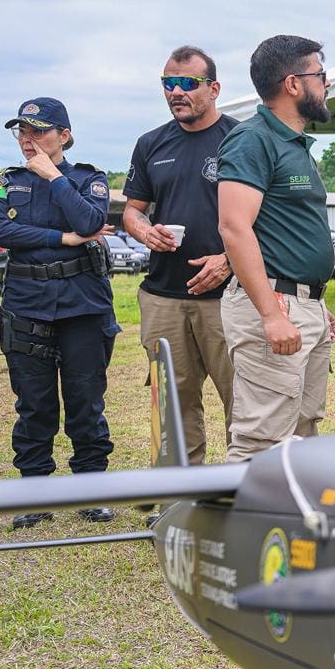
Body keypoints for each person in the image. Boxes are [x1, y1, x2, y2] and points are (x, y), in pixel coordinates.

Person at [0, 98, 118, 528]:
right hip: (27, 302)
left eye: (38, 131)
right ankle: (35, 493)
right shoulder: (5, 181)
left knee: (85, 400)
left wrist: (54, 177)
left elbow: (90, 222)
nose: (27, 140)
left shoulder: (88, 178)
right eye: (21, 132)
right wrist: (62, 238)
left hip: (83, 304)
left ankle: (91, 490)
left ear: (64, 135)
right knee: (34, 404)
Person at [216, 35, 335, 462]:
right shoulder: (253, 140)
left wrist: (314, 302)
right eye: (320, 74)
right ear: (293, 84)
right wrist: (271, 314)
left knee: (302, 435)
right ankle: (238, 510)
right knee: (261, 442)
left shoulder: (293, 143)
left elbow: (283, 231)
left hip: (300, 303)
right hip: (273, 306)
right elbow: (234, 227)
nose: (326, 83)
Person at [123, 46, 237, 464]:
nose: (176, 92)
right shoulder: (151, 144)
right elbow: (132, 211)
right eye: (168, 83)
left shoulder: (240, 139)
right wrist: (145, 231)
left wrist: (228, 260)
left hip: (229, 297)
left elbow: (267, 217)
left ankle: (245, 488)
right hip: (164, 298)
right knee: (172, 404)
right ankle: (181, 493)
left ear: (214, 88)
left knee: (243, 402)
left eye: (188, 83)